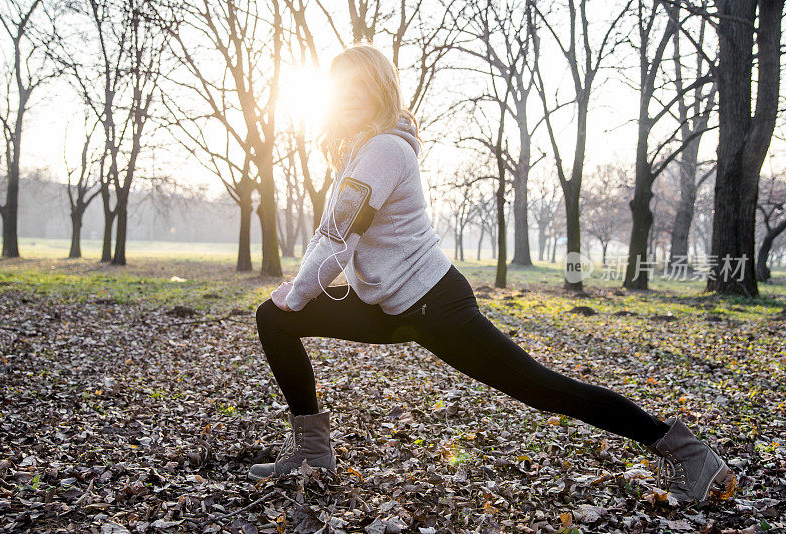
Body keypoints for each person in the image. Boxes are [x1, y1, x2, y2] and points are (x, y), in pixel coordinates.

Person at [251, 43, 734, 504]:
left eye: (359, 85)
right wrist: (295, 293)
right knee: (272, 319)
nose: (347, 96)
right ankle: (313, 453)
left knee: (540, 389)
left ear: (381, 90)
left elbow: (338, 239)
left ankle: (687, 452)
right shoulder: (360, 152)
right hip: (389, 306)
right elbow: (328, 231)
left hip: (434, 304)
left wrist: (297, 296)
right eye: (339, 87)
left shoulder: (382, 150)